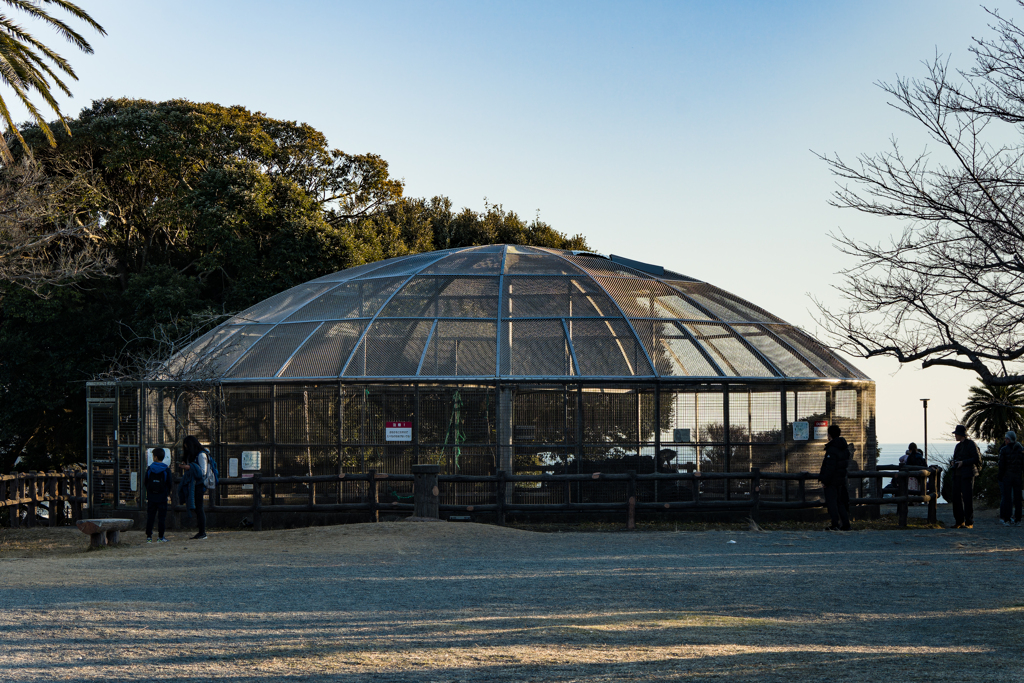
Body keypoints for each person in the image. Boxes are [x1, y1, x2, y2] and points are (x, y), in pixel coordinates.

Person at [819, 424, 852, 531]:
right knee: (841, 502)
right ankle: (845, 523)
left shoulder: (832, 449)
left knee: (832, 503)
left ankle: (835, 523)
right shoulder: (844, 448)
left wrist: (825, 480)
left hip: (832, 481)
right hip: (841, 479)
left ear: (830, 434)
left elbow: (830, 467)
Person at [950, 425, 982, 529]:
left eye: (956, 434)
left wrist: (963, 462)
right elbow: (956, 457)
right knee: (956, 498)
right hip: (958, 474)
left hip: (967, 474)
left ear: (961, 435)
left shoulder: (971, 444)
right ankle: (959, 521)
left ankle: (969, 522)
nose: (955, 436)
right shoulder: (958, 446)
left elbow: (976, 459)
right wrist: (954, 463)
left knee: (967, 498)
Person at [180, 435, 211, 540]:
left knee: (199, 508)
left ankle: (202, 532)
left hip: (199, 484)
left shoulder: (202, 455)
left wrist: (190, 467)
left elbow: (203, 472)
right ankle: (201, 531)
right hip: (194, 484)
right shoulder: (194, 455)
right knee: (198, 508)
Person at [144, 448, 172, 543]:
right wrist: (166, 493)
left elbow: (145, 482)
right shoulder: (166, 469)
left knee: (150, 517)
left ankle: (149, 537)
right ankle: (161, 537)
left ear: (155, 457)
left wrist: (149, 491)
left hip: (152, 497)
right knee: (162, 518)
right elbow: (170, 484)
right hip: (162, 497)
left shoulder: (150, 468)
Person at [998, 430, 1024, 526]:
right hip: (1017, 477)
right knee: (1018, 499)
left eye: (1006, 438)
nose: (1005, 440)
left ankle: (1007, 519)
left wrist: (1000, 476)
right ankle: (1018, 519)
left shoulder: (1004, 450)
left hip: (1007, 477)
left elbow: (1001, 465)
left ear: (1008, 439)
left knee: (1008, 499)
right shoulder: (1021, 449)